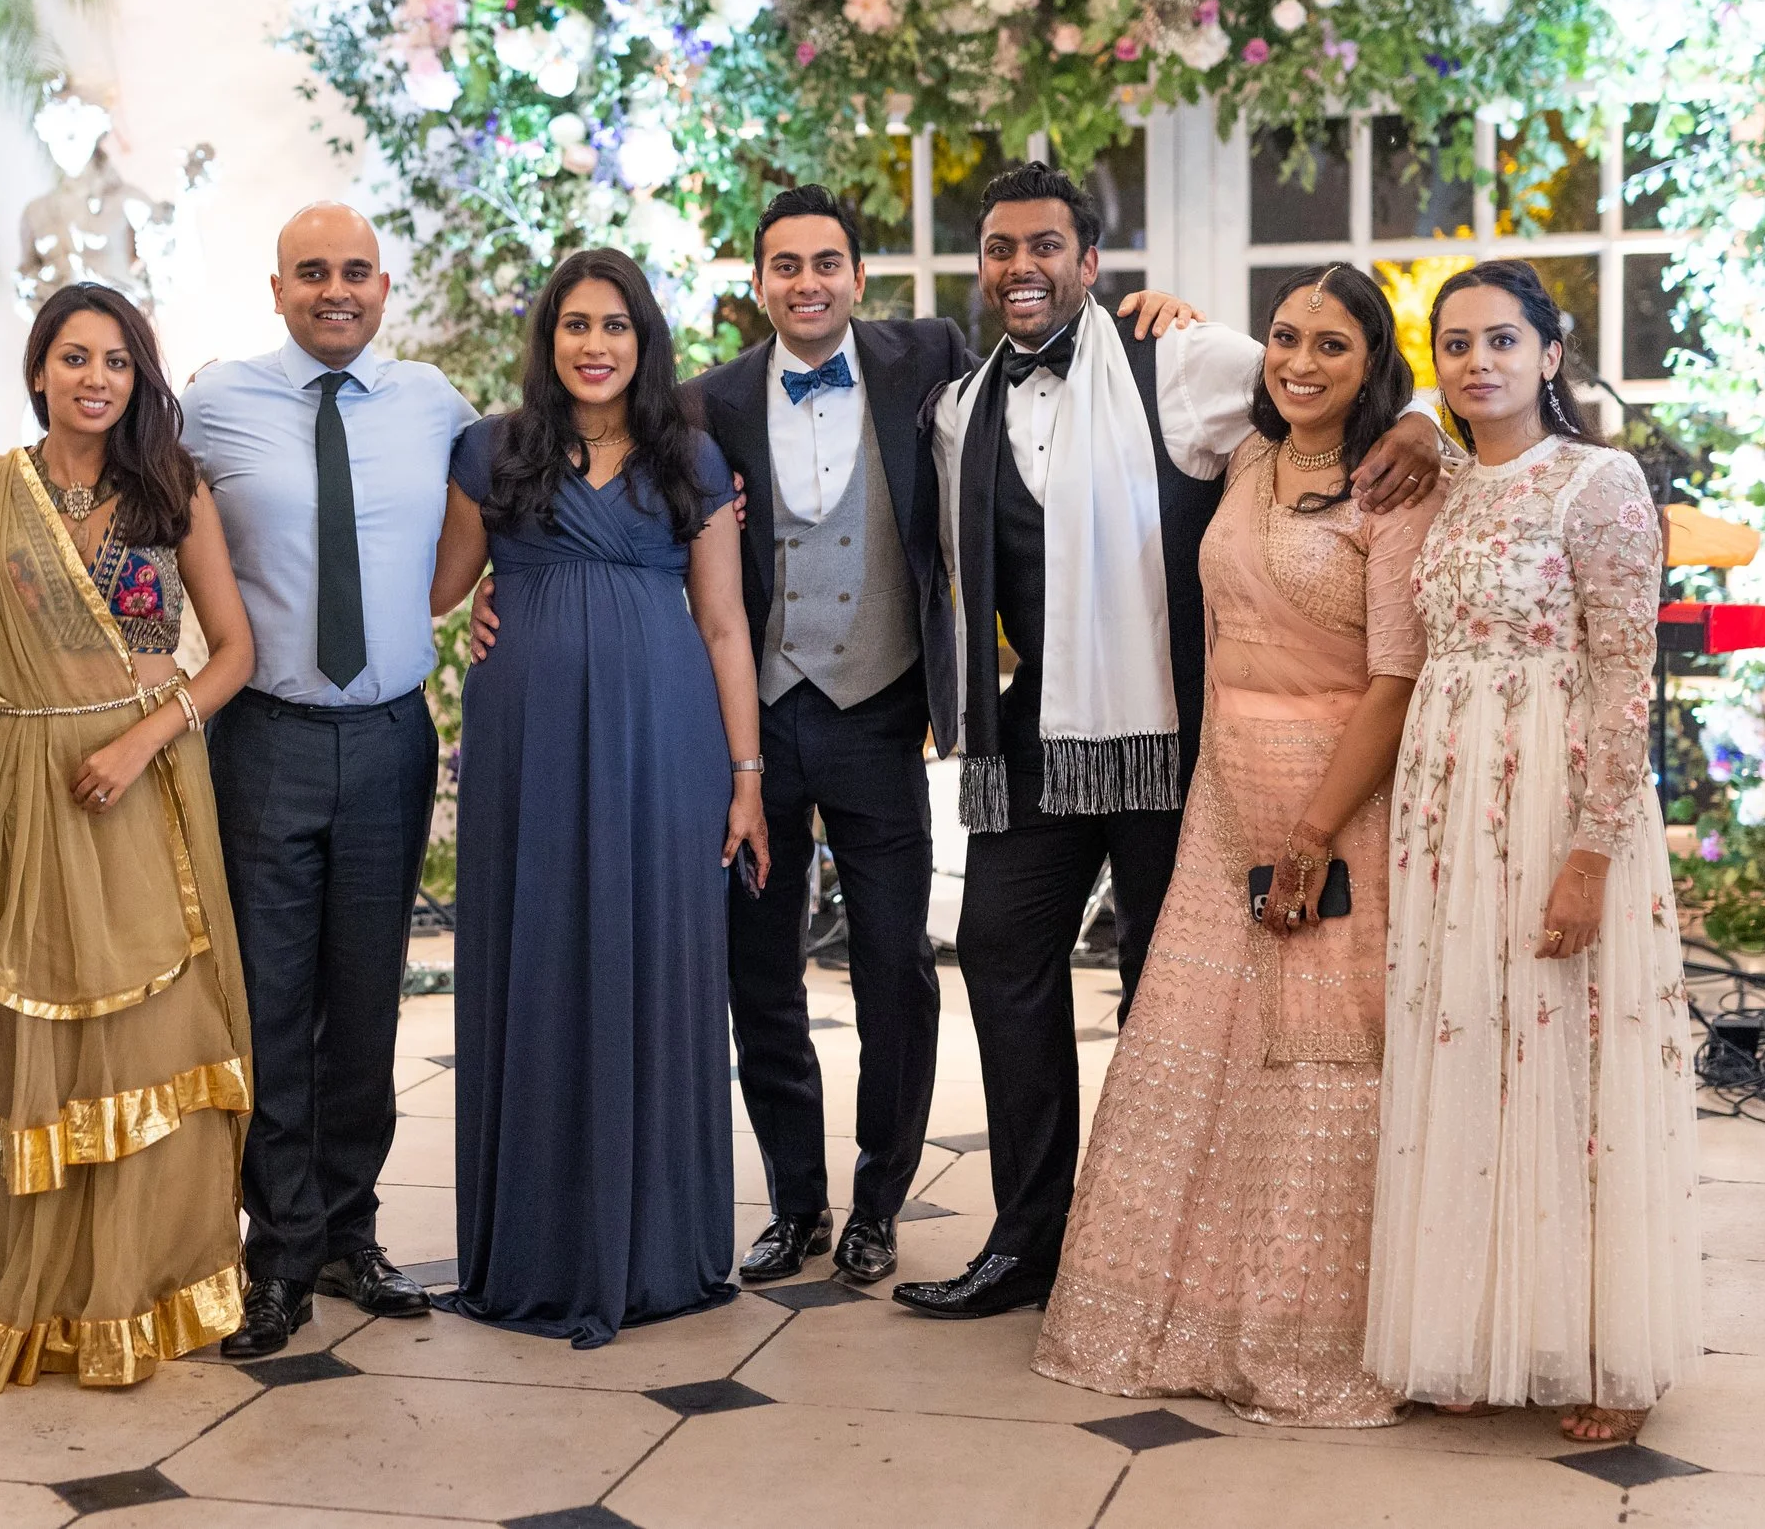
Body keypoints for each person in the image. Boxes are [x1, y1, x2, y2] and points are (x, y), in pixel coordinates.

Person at [471, 188, 1198, 1288]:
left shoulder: (933, 359)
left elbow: (1067, 333)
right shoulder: (707, 407)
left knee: (895, 967)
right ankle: (796, 1201)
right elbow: (623, 522)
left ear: (859, 277)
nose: (805, 282)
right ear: (757, 284)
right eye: (782, 266)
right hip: (747, 719)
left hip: (881, 711)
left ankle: (879, 1197)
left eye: (825, 263)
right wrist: (500, 587)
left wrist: (1162, 312)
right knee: (757, 969)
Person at [897, 163, 1447, 1322]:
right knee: (1000, 956)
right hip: (1036, 732)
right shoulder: (958, 407)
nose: (1021, 266)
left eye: (1045, 245)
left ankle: (1162, 1242)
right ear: (982, 266)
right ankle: (1028, 1237)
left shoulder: (1181, 362)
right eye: (1001, 248)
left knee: (1173, 987)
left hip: (1179, 743)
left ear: (1091, 265)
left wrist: (1420, 426)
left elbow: (1330, 380)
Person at [1032, 265, 1439, 1425]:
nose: (1299, 363)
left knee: (1318, 1073)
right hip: (1222, 796)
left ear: (1375, 367)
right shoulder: (1247, 454)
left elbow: (1397, 675)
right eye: (1283, 336)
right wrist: (1170, 308)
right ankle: (1173, 1318)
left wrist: (1314, 830)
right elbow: (1171, 366)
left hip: (1340, 797)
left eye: (1332, 347)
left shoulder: (1400, 480)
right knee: (1196, 1061)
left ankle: (1304, 1333)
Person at [1365, 260, 1699, 1441]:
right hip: (1448, 797)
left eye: (1502, 340)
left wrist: (1593, 850)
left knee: (1575, 1057)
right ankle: (1471, 1324)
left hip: (1557, 787)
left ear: (1550, 355)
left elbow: (1623, 674)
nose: (1476, 363)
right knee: (1471, 1045)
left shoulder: (1598, 483)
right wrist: (1410, 418)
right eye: (1454, 345)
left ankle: (1608, 1349)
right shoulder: (1438, 480)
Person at [427, 247, 768, 1347]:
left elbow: (723, 625)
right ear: (547, 337)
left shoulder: (693, 457)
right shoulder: (491, 450)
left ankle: (657, 1244)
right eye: (574, 323)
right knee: (538, 956)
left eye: (614, 325)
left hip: (665, 741)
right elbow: (435, 586)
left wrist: (746, 777)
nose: (593, 344)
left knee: (651, 961)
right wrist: (478, 593)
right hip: (526, 742)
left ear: (643, 340)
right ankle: (534, 1246)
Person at [0, 284, 257, 1389]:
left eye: (116, 361)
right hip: (28, 794)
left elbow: (232, 652)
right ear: (37, 371)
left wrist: (138, 744)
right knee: (42, 1045)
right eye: (74, 357)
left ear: (138, 379)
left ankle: (146, 1290)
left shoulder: (171, 493)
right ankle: (40, 1298)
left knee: (152, 1039)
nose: (94, 379)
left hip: (141, 789)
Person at [180, 203, 479, 1357]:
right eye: (312, 272)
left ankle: (351, 1231)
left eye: (355, 272)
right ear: (277, 288)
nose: (335, 290)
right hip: (265, 735)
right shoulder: (213, 404)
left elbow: (480, 531)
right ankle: (279, 1250)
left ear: (385, 286)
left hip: (392, 734)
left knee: (366, 997)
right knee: (269, 1002)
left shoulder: (434, 403)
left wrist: (467, 602)